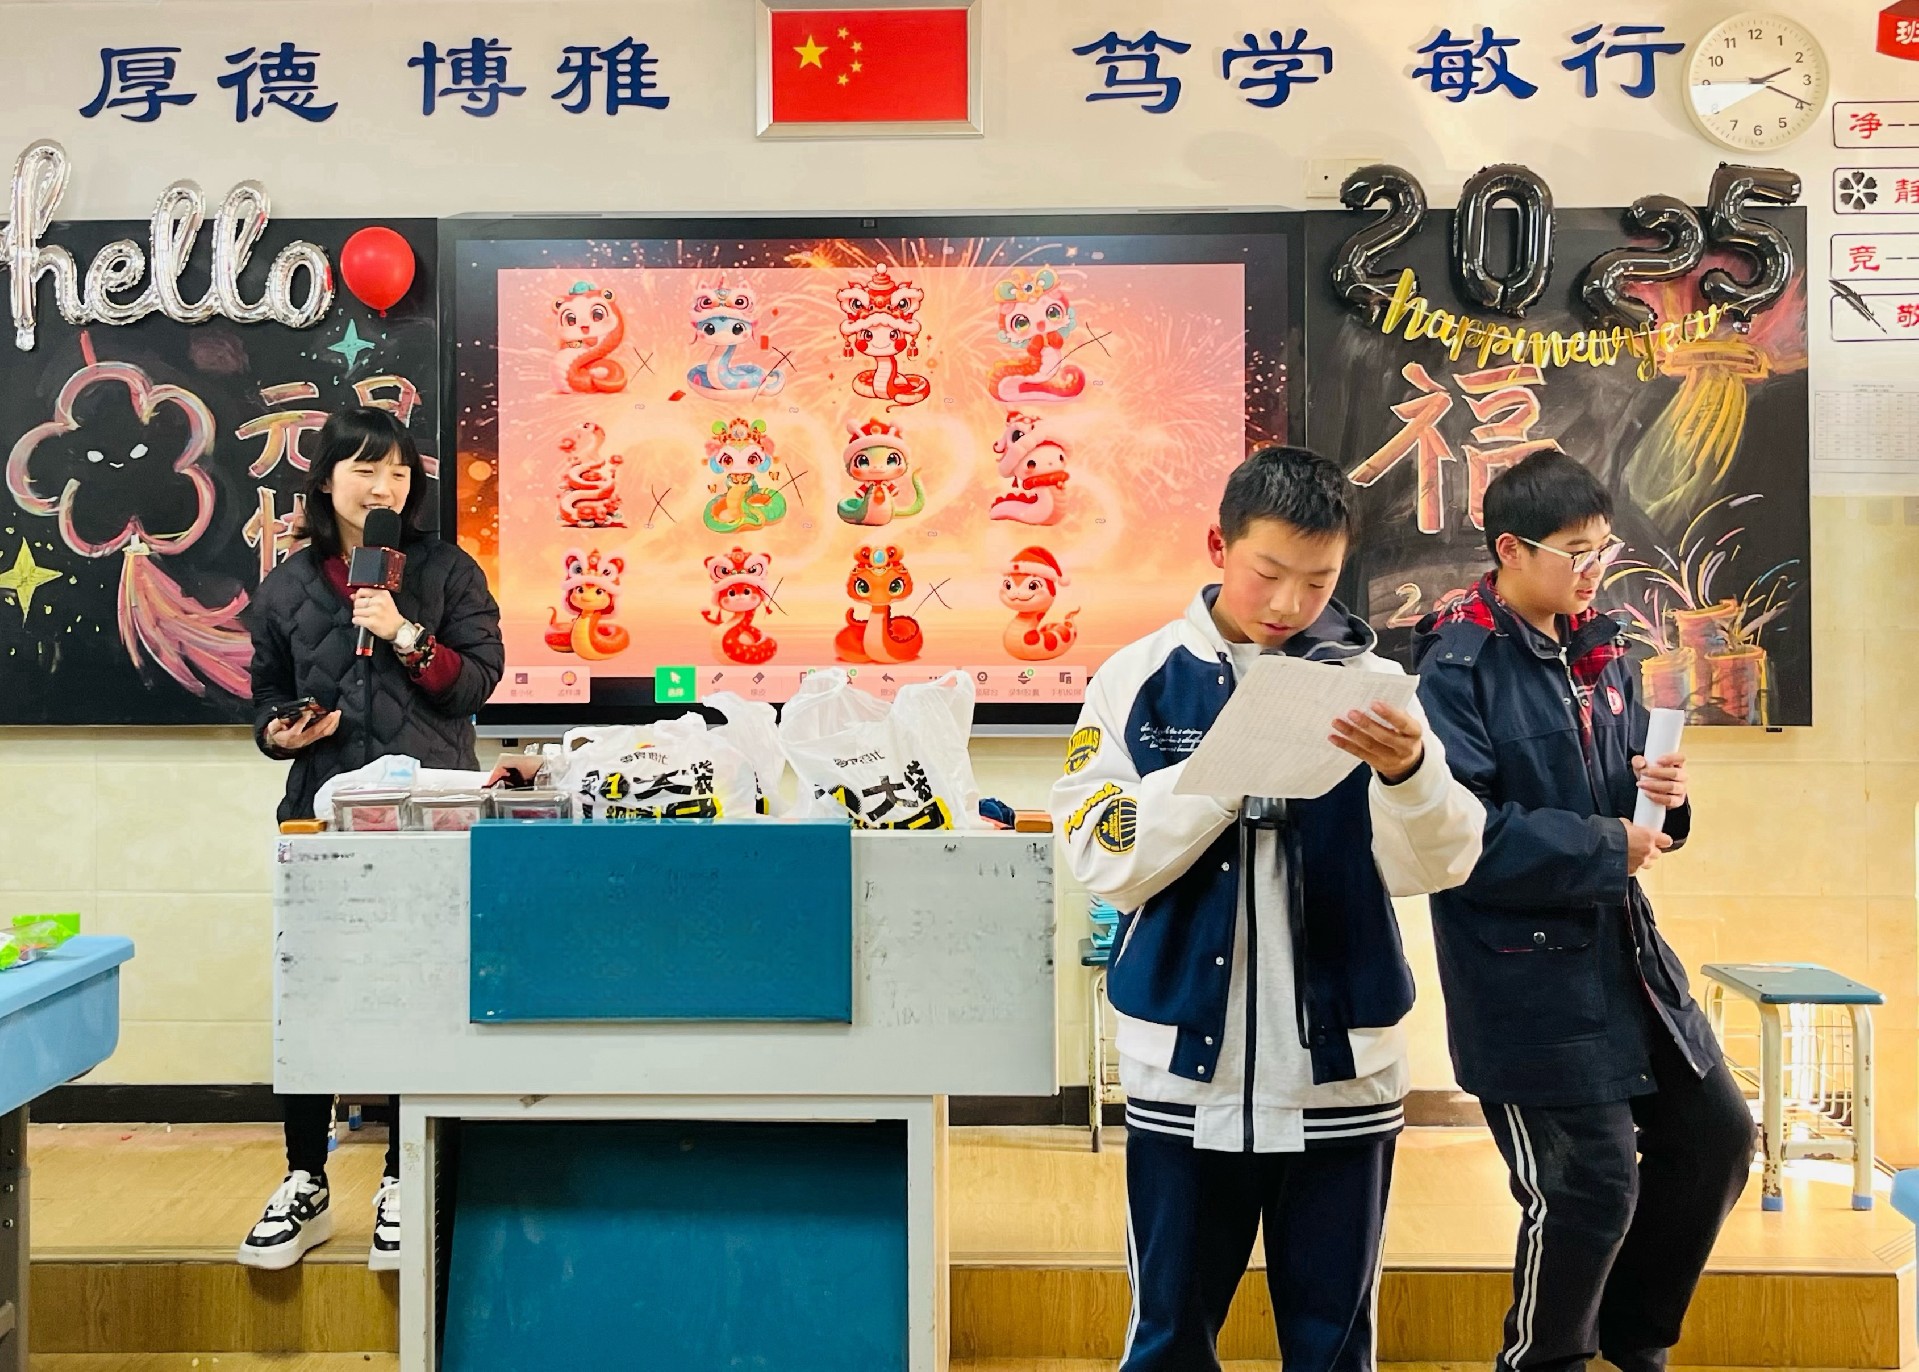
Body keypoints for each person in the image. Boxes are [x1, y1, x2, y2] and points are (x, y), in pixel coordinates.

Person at [1051, 445, 1485, 1372]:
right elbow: (1097, 854)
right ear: (1218, 546)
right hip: (1181, 1074)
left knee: (1331, 1347)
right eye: (1268, 572)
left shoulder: (1374, 689)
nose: (1289, 603)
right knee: (1168, 1339)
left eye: (1317, 580)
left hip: (1341, 1072)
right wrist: (1222, 774)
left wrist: (1409, 773)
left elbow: (1441, 861)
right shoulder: (1138, 677)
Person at [1412, 450, 1754, 1372]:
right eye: (1575, 551)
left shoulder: (1603, 652)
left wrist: (1663, 796)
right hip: (1522, 975)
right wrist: (1609, 843)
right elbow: (1459, 837)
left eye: (1602, 548)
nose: (1594, 568)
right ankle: (1544, 1361)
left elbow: (1635, 807)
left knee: (1716, 1138)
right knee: (1587, 1187)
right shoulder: (1455, 665)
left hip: (1627, 955)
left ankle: (1634, 1343)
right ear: (1510, 550)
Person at [240, 407, 504, 1272]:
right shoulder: (287, 586)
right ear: (325, 480)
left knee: (416, 991)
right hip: (323, 813)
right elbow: (266, 696)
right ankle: (305, 1177)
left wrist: (404, 633)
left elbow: (475, 684)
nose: (383, 485)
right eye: (363, 469)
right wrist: (281, 731)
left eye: (397, 472)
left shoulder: (445, 570)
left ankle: (401, 1175)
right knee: (312, 992)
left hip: (427, 815)